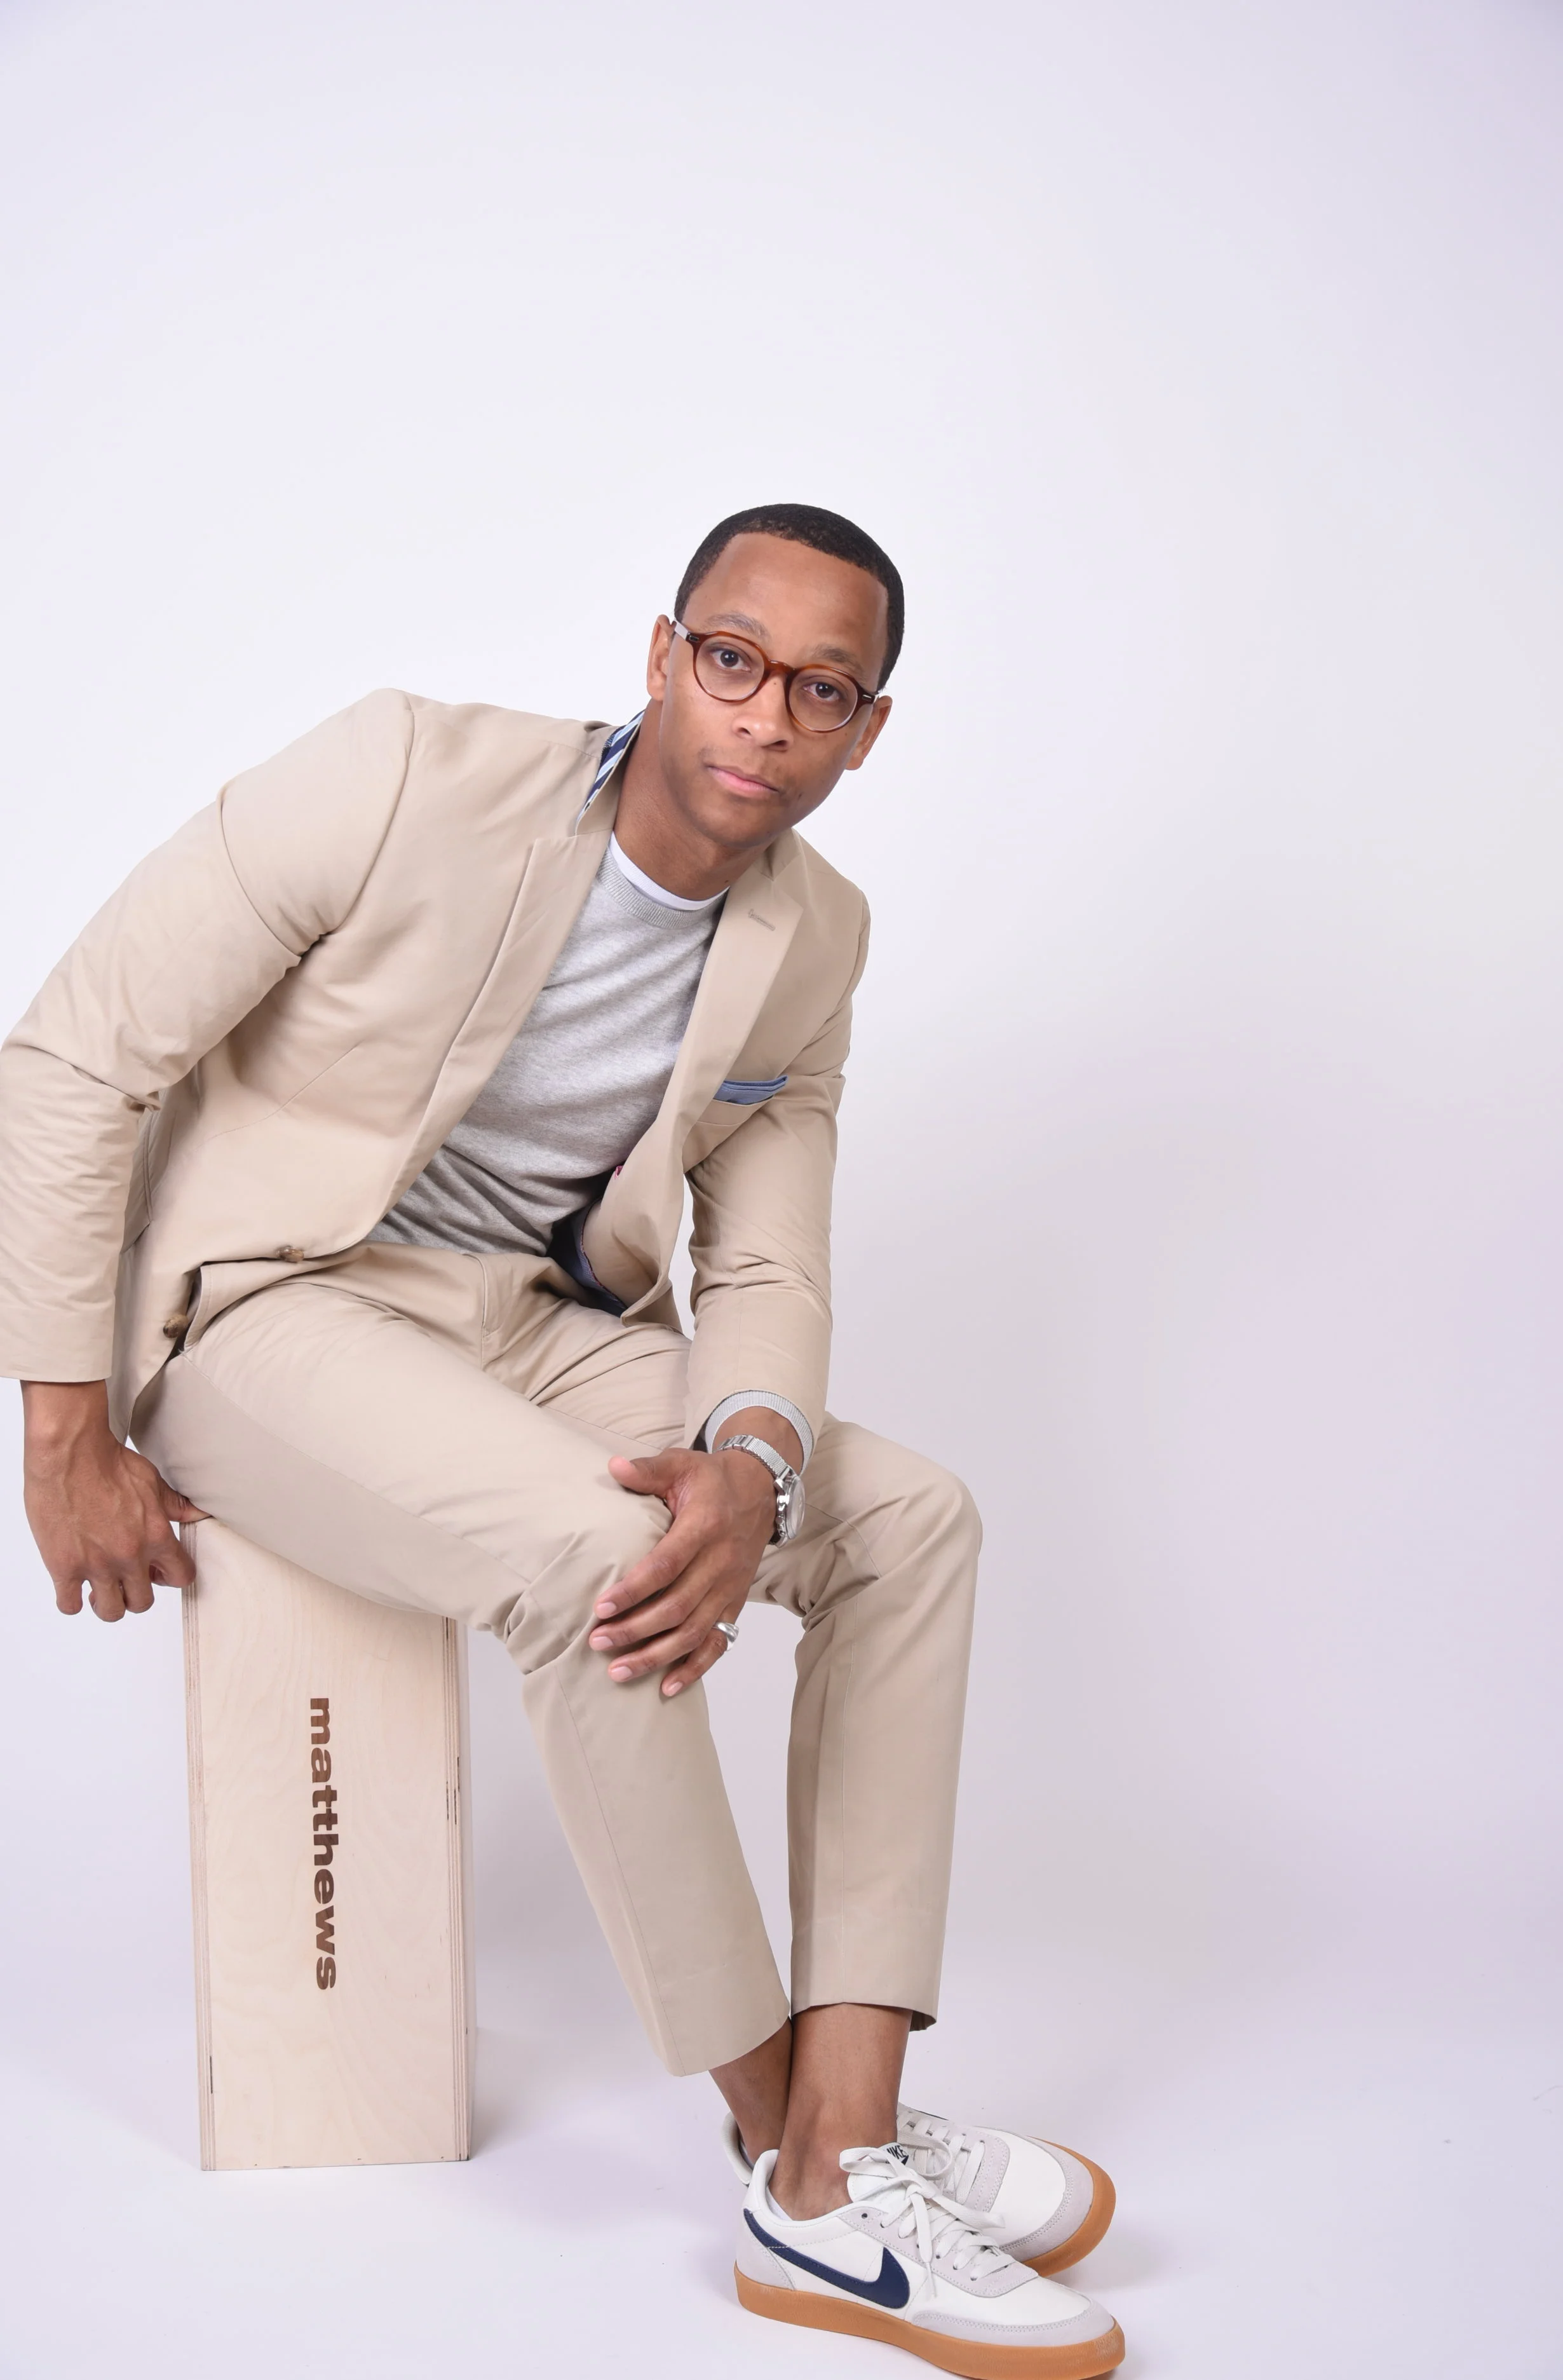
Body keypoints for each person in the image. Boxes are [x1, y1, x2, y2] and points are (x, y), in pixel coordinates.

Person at [0, 504, 1124, 2377]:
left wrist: (751, 1457)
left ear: (867, 732)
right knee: (602, 1558)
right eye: (733, 659)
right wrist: (61, 1427)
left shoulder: (818, 936)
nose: (764, 714)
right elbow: (76, 1054)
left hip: (538, 1326)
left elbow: (761, 1258)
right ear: (663, 655)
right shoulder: (397, 775)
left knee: (909, 1519)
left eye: (820, 689)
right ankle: (812, 2172)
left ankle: (846, 2122)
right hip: (270, 1302)